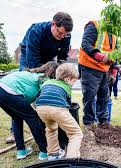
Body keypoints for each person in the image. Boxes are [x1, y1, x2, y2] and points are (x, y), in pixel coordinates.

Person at [6, 11, 73, 144]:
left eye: (65, 35)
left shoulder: (65, 35)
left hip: (49, 58)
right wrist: (44, 77)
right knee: (22, 93)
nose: (62, 37)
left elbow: (62, 58)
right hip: (29, 57)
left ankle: (47, 124)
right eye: (60, 33)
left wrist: (61, 75)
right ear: (54, 24)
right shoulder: (36, 31)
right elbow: (33, 65)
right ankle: (14, 132)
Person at [0, 61, 59, 160]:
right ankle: (44, 151)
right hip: (10, 91)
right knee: (33, 118)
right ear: (54, 72)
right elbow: (45, 96)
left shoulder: (32, 74)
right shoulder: (44, 78)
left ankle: (21, 151)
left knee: (17, 118)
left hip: (2, 89)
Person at [35, 63, 83, 160]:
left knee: (50, 129)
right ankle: (71, 158)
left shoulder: (47, 82)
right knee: (75, 133)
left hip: (40, 108)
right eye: (74, 81)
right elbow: (68, 105)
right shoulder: (66, 87)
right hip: (57, 108)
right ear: (67, 79)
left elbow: (39, 95)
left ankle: (53, 155)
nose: (73, 84)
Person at [78, 20, 117, 128]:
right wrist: (101, 57)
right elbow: (85, 44)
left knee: (104, 97)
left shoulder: (114, 34)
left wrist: (113, 72)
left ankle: (103, 123)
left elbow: (116, 53)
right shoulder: (94, 26)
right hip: (90, 66)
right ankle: (89, 124)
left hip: (104, 69)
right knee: (90, 96)